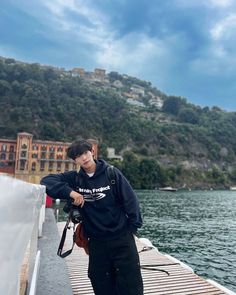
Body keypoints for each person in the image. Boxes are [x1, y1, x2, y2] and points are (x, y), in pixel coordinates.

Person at [40, 138, 143, 295]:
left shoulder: (111, 173)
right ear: (75, 160)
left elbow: (131, 201)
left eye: (86, 153)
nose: (84, 157)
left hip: (121, 239)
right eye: (79, 155)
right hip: (96, 242)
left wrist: (132, 229)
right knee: (100, 283)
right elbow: (46, 181)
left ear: (92, 152)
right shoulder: (75, 179)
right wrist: (70, 192)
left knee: (131, 284)